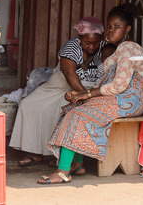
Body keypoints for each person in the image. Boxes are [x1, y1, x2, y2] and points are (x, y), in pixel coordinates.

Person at [37, 4, 143, 184]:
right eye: (109, 26)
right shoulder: (118, 49)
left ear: (127, 29)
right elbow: (109, 84)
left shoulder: (129, 48)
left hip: (130, 99)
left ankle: (63, 171)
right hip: (119, 97)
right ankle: (78, 164)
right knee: (73, 107)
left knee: (77, 114)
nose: (111, 31)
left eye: (117, 27)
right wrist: (80, 94)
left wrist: (88, 94)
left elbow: (120, 84)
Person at [9, 17, 105, 168]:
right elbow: (70, 75)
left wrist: (89, 94)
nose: (92, 46)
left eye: (96, 42)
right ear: (80, 38)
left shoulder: (104, 48)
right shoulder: (71, 47)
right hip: (59, 86)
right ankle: (35, 152)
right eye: (88, 43)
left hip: (87, 88)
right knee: (28, 105)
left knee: (63, 110)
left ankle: (61, 156)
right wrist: (85, 96)